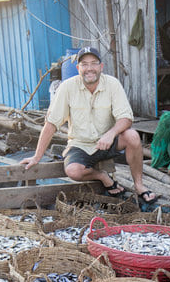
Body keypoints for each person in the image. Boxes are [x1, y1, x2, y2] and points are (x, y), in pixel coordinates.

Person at [20, 46, 158, 207]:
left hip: (108, 142)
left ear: (101, 67)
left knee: (133, 136)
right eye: (84, 64)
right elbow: (51, 124)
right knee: (73, 171)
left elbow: (126, 118)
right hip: (81, 145)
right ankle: (102, 177)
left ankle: (139, 185)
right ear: (78, 68)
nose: (89, 68)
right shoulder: (67, 87)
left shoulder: (112, 84)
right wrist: (36, 157)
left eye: (94, 63)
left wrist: (111, 133)